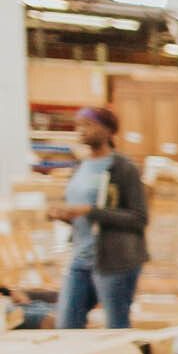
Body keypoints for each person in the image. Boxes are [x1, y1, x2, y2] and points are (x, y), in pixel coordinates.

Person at [51, 107, 147, 330]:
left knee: (116, 326)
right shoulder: (80, 167)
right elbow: (82, 217)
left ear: (108, 130)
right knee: (67, 325)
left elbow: (139, 218)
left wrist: (90, 211)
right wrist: (65, 215)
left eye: (88, 125)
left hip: (115, 261)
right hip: (81, 258)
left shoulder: (123, 169)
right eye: (79, 125)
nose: (82, 130)